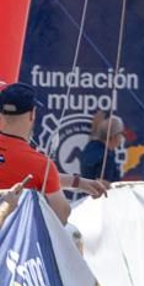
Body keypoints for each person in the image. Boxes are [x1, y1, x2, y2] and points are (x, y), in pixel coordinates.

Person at [0, 83, 107, 222]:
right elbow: (62, 214)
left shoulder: (41, 167)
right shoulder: (40, 164)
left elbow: (32, 175)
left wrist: (77, 182)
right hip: (13, 242)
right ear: (32, 114)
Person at [79, 113, 124, 184]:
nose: (122, 137)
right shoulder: (106, 156)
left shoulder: (91, 146)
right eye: (121, 133)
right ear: (113, 136)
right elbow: (103, 184)